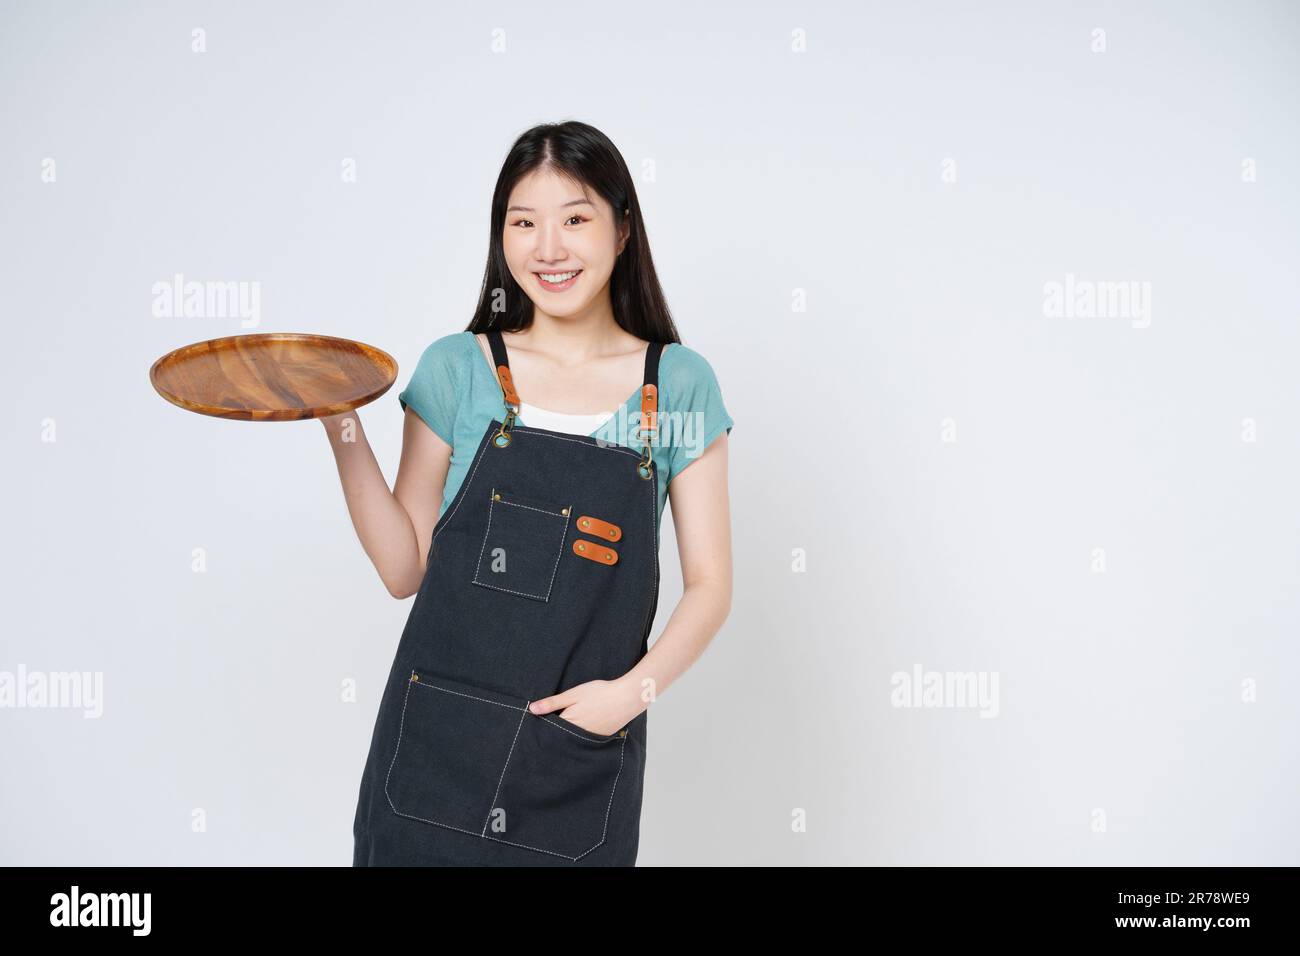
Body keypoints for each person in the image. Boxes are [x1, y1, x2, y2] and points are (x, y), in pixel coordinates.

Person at [324, 120, 734, 865]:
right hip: (432, 754)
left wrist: (628, 698)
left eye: (575, 219)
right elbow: (401, 568)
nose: (548, 249)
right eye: (524, 223)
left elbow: (711, 586)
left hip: (577, 757)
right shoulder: (456, 369)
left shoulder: (676, 386)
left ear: (623, 230)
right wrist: (339, 423)